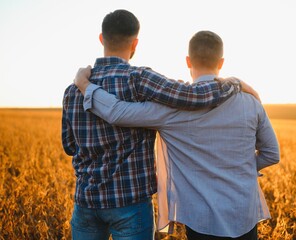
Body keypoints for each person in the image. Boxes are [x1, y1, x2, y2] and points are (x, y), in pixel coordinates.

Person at [62, 9, 257, 240]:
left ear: (102, 39)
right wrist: (232, 83)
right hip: (130, 202)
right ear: (135, 43)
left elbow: (69, 146)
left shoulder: (73, 90)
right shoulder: (139, 79)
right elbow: (191, 96)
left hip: (86, 200)